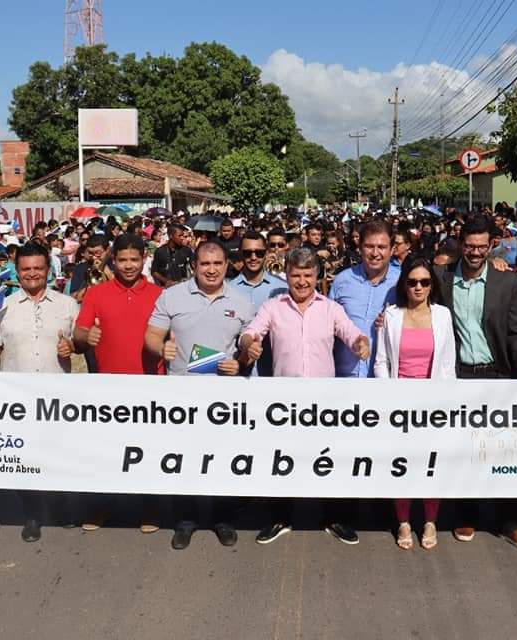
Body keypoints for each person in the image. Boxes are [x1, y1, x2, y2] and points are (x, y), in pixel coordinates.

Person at [239, 248, 370, 545]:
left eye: (307, 275)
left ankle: (334, 518)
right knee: (282, 459)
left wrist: (361, 343)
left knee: (329, 458)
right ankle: (280, 518)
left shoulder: (330, 308)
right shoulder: (273, 306)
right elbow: (250, 332)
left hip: (324, 401)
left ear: (317, 276)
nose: (301, 282)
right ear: (286, 275)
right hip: (284, 402)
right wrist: (250, 344)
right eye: (296, 275)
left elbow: (350, 333)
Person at [437, 218, 517, 551]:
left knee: (503, 451)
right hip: (458, 375)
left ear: (491, 244)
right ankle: (466, 513)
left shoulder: (505, 283)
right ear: (460, 243)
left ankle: (509, 520)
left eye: (483, 246)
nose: (476, 252)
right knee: (464, 450)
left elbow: (516, 331)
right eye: (470, 246)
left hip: (497, 374)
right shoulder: (442, 278)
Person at [144, 240, 253, 550]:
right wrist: (159, 347)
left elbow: (247, 345)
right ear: (194, 265)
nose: (211, 269)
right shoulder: (172, 295)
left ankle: (222, 518)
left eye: (217, 263)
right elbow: (152, 335)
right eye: (205, 263)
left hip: (225, 397)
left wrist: (243, 359)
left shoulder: (242, 301)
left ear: (227, 265)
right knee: (185, 459)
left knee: (223, 458)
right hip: (183, 394)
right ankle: (186, 520)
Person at [0, 242, 79, 542]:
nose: (32, 274)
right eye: (26, 269)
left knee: (57, 455)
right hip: (16, 399)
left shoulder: (67, 305)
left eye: (38, 269)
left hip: (57, 396)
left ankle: (61, 508)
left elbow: (78, 345)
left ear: (47, 270)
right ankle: (33, 515)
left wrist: (70, 347)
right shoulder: (3, 307)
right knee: (25, 460)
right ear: (17, 272)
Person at [73, 233, 165, 533]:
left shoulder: (159, 294)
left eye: (134, 260)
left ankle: (150, 508)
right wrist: (87, 337)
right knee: (108, 453)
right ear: (113, 260)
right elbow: (78, 336)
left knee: (147, 451)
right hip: (109, 388)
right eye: (122, 260)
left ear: (143, 260)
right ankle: (103, 506)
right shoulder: (96, 294)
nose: (128, 266)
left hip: (151, 385)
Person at [373, 257, 455, 550]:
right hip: (399, 404)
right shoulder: (391, 315)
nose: (418, 287)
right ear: (404, 284)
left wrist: (446, 402)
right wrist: (391, 396)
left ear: (432, 285)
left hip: (433, 403)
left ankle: (430, 520)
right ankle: (404, 521)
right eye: (412, 281)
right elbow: (381, 362)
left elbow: (448, 365)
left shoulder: (443, 316)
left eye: (424, 282)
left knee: (432, 463)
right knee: (402, 464)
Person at [329, 219, 400, 379]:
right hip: (343, 377)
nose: (375, 253)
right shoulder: (342, 281)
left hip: (384, 379)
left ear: (392, 249)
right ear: (360, 247)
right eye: (369, 246)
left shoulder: (402, 283)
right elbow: (327, 326)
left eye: (381, 247)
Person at [228, 230, 286, 376]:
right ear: (241, 254)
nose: (253, 257)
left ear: (266, 253)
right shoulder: (228, 289)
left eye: (259, 253)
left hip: (273, 372)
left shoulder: (282, 289)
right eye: (248, 253)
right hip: (238, 372)